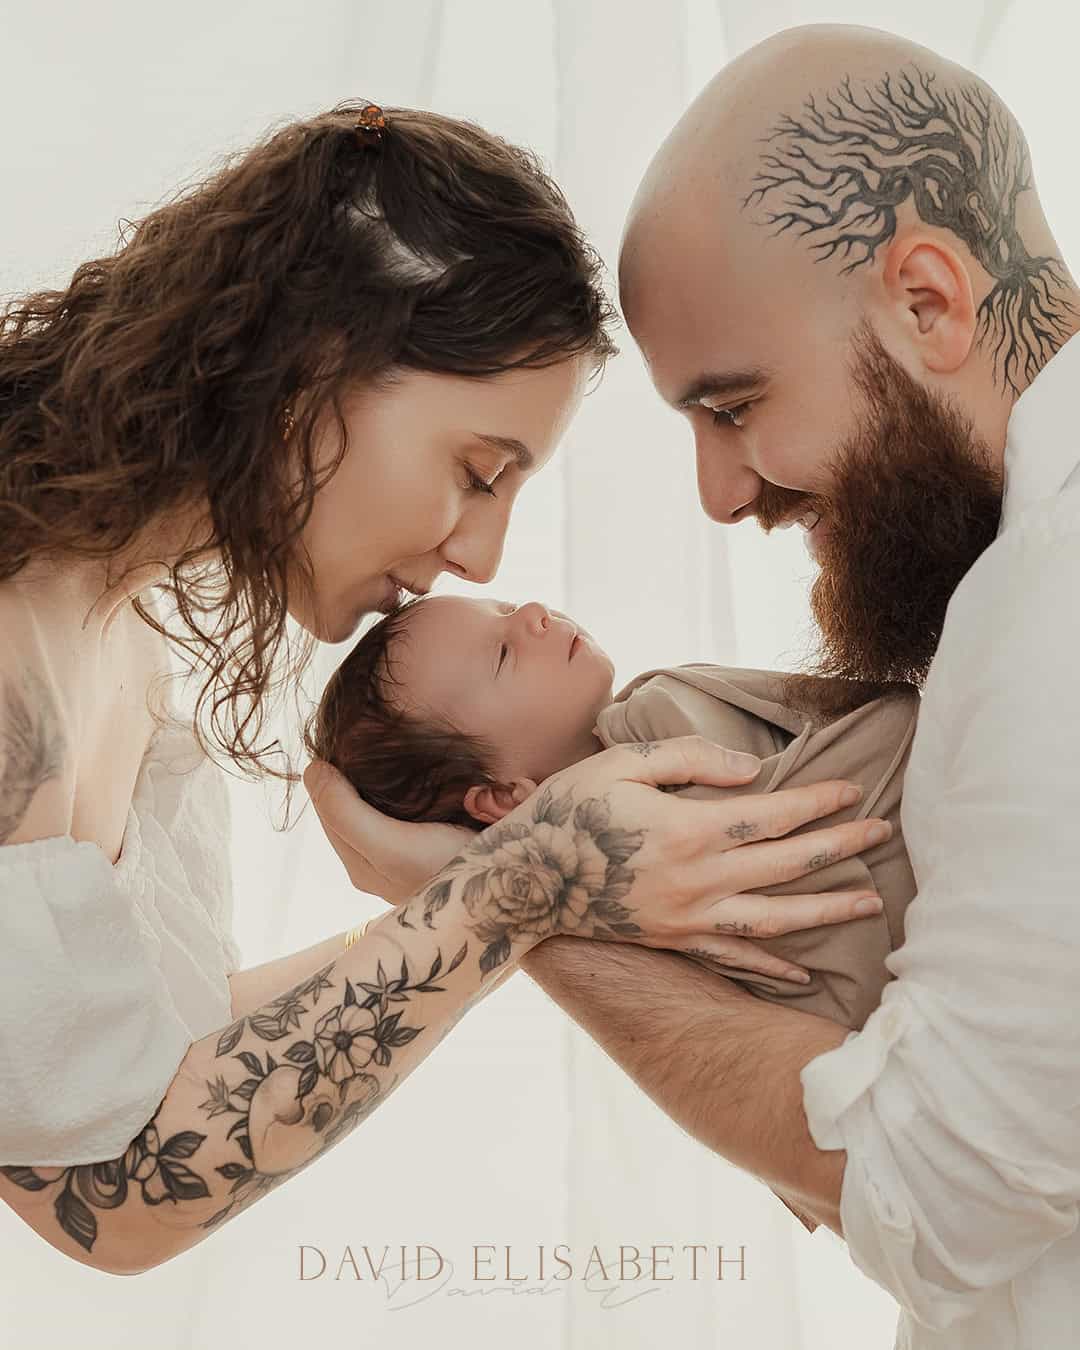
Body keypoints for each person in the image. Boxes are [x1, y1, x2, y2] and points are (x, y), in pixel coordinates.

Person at [0, 100, 889, 1277]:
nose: (482, 556)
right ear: (308, 368)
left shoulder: (115, 630)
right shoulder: (15, 665)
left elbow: (161, 1058)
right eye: (478, 473)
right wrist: (520, 884)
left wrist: (481, 887)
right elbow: (105, 1192)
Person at [306, 27, 1080, 1350]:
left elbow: (939, 1196)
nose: (722, 494)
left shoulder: (1051, 606)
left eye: (734, 405)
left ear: (930, 303)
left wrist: (506, 904)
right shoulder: (1017, 589)